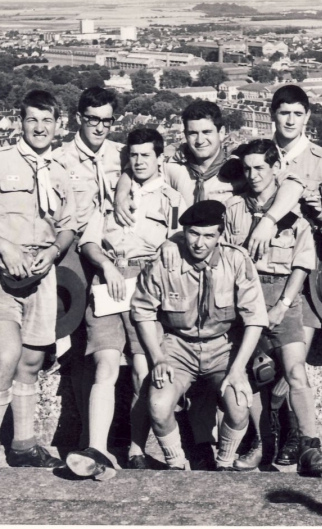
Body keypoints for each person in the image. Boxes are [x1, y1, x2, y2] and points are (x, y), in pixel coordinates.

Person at [114, 100, 306, 470]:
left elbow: (287, 183)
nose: (199, 139)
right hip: (181, 290)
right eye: (192, 132)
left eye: (207, 132)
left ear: (223, 134)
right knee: (178, 396)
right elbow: (137, 168)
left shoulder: (237, 169)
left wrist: (268, 220)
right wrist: (123, 191)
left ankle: (245, 448)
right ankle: (189, 453)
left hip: (232, 281)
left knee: (244, 385)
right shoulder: (172, 167)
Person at [0, 90, 75, 485]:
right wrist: (4, 246)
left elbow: (68, 225)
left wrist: (56, 252)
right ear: (20, 122)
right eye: (32, 120)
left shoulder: (60, 172)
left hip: (40, 274)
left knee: (30, 363)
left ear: (58, 125)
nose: (40, 127)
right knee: (6, 354)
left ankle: (24, 445)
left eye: (47, 120)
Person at [66, 128, 184, 480]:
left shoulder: (173, 200)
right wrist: (105, 266)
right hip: (109, 281)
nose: (139, 161)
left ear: (160, 158)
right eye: (133, 155)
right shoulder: (109, 196)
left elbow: (175, 247)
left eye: (146, 155)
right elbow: (88, 242)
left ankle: (135, 447)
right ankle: (98, 449)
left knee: (142, 367)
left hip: (148, 285)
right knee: (104, 362)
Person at [131, 200, 269, 471]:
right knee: (158, 406)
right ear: (183, 232)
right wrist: (158, 358)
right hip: (177, 346)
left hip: (222, 347)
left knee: (240, 403)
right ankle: (177, 464)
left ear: (220, 236)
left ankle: (225, 463)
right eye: (193, 233)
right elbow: (143, 312)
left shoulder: (236, 260)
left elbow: (255, 319)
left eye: (208, 235)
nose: (199, 243)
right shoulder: (165, 259)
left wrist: (238, 369)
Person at [223, 139, 322, 476]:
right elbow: (227, 260)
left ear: (275, 169)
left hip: (283, 294)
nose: (253, 175)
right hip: (246, 297)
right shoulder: (233, 209)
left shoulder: (291, 211)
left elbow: (302, 262)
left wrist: (284, 304)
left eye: (260, 168)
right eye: (248, 168)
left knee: (295, 371)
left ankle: (310, 446)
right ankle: (263, 442)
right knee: (254, 375)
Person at [52, 86, 125, 448]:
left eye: (107, 121)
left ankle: (117, 434)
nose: (100, 127)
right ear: (79, 118)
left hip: (111, 255)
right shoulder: (61, 158)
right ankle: (83, 432)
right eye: (93, 120)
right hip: (74, 256)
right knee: (80, 346)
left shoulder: (121, 155)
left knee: (109, 346)